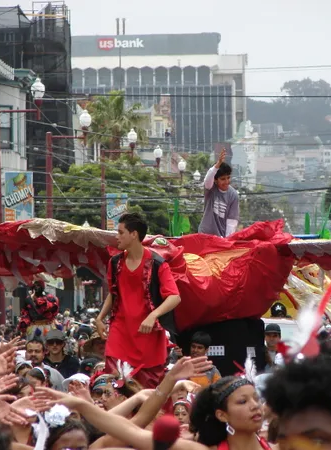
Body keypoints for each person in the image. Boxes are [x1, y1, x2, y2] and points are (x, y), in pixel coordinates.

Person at [96, 213, 181, 388]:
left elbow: (174, 297)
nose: (116, 237)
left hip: (147, 336)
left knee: (149, 392)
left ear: (134, 234)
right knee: (114, 386)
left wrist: (153, 315)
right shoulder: (115, 263)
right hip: (120, 332)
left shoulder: (158, 264)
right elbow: (113, 293)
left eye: (120, 232)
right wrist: (100, 317)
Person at [198, 148, 239, 238]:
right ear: (215, 180)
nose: (227, 181)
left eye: (228, 177)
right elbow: (207, 180)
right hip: (204, 235)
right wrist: (218, 164)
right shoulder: (211, 188)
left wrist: (227, 240)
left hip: (221, 238)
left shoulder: (233, 195)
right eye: (223, 179)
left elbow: (232, 221)